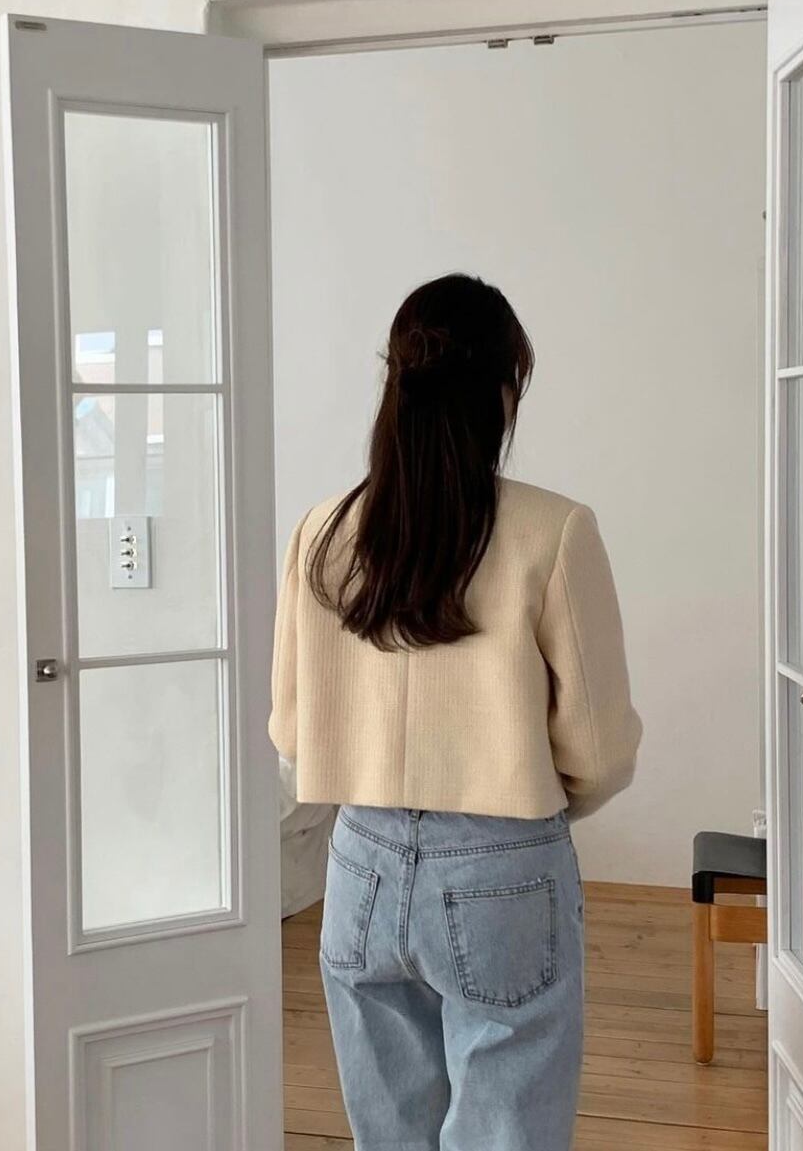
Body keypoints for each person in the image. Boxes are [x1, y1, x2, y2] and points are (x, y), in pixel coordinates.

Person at [268, 272, 643, 1151]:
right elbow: (598, 750)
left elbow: (290, 732)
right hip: (501, 860)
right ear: (503, 389)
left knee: (388, 1133)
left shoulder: (323, 531)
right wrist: (520, 806)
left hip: (359, 864)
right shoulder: (554, 530)